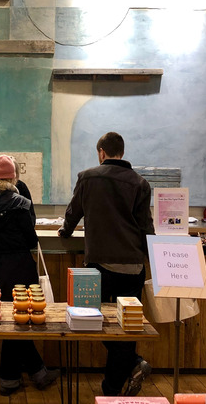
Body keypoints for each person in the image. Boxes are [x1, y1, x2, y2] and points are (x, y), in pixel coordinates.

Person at [58, 131, 154, 396]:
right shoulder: (140, 183)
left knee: (89, 320)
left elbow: (74, 211)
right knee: (127, 326)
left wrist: (65, 232)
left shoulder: (87, 177)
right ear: (121, 152)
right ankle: (114, 386)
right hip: (132, 266)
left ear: (101, 151)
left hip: (98, 266)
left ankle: (131, 366)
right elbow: (145, 227)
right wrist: (151, 260)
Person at [0, 154, 60, 396]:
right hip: (18, 268)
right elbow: (30, 238)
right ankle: (14, 377)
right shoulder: (21, 203)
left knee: (4, 320)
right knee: (19, 320)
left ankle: (22, 375)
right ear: (13, 178)